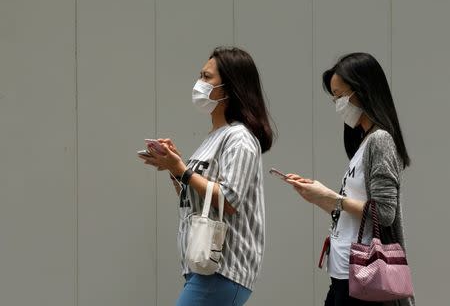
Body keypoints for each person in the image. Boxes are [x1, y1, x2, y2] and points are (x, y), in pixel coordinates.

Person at [139, 46, 275, 306]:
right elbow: (195, 199)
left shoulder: (240, 138)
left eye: (207, 77)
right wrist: (174, 169)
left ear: (229, 87)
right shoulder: (214, 137)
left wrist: (183, 170)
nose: (199, 83)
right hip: (204, 266)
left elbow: (230, 200)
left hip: (224, 269)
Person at [285, 53, 414, 306]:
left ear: (363, 91)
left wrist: (334, 197)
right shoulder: (364, 144)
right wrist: (316, 195)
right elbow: (352, 211)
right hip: (344, 273)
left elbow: (384, 212)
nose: (337, 103)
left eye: (340, 95)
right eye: (334, 97)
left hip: (363, 277)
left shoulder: (380, 140)